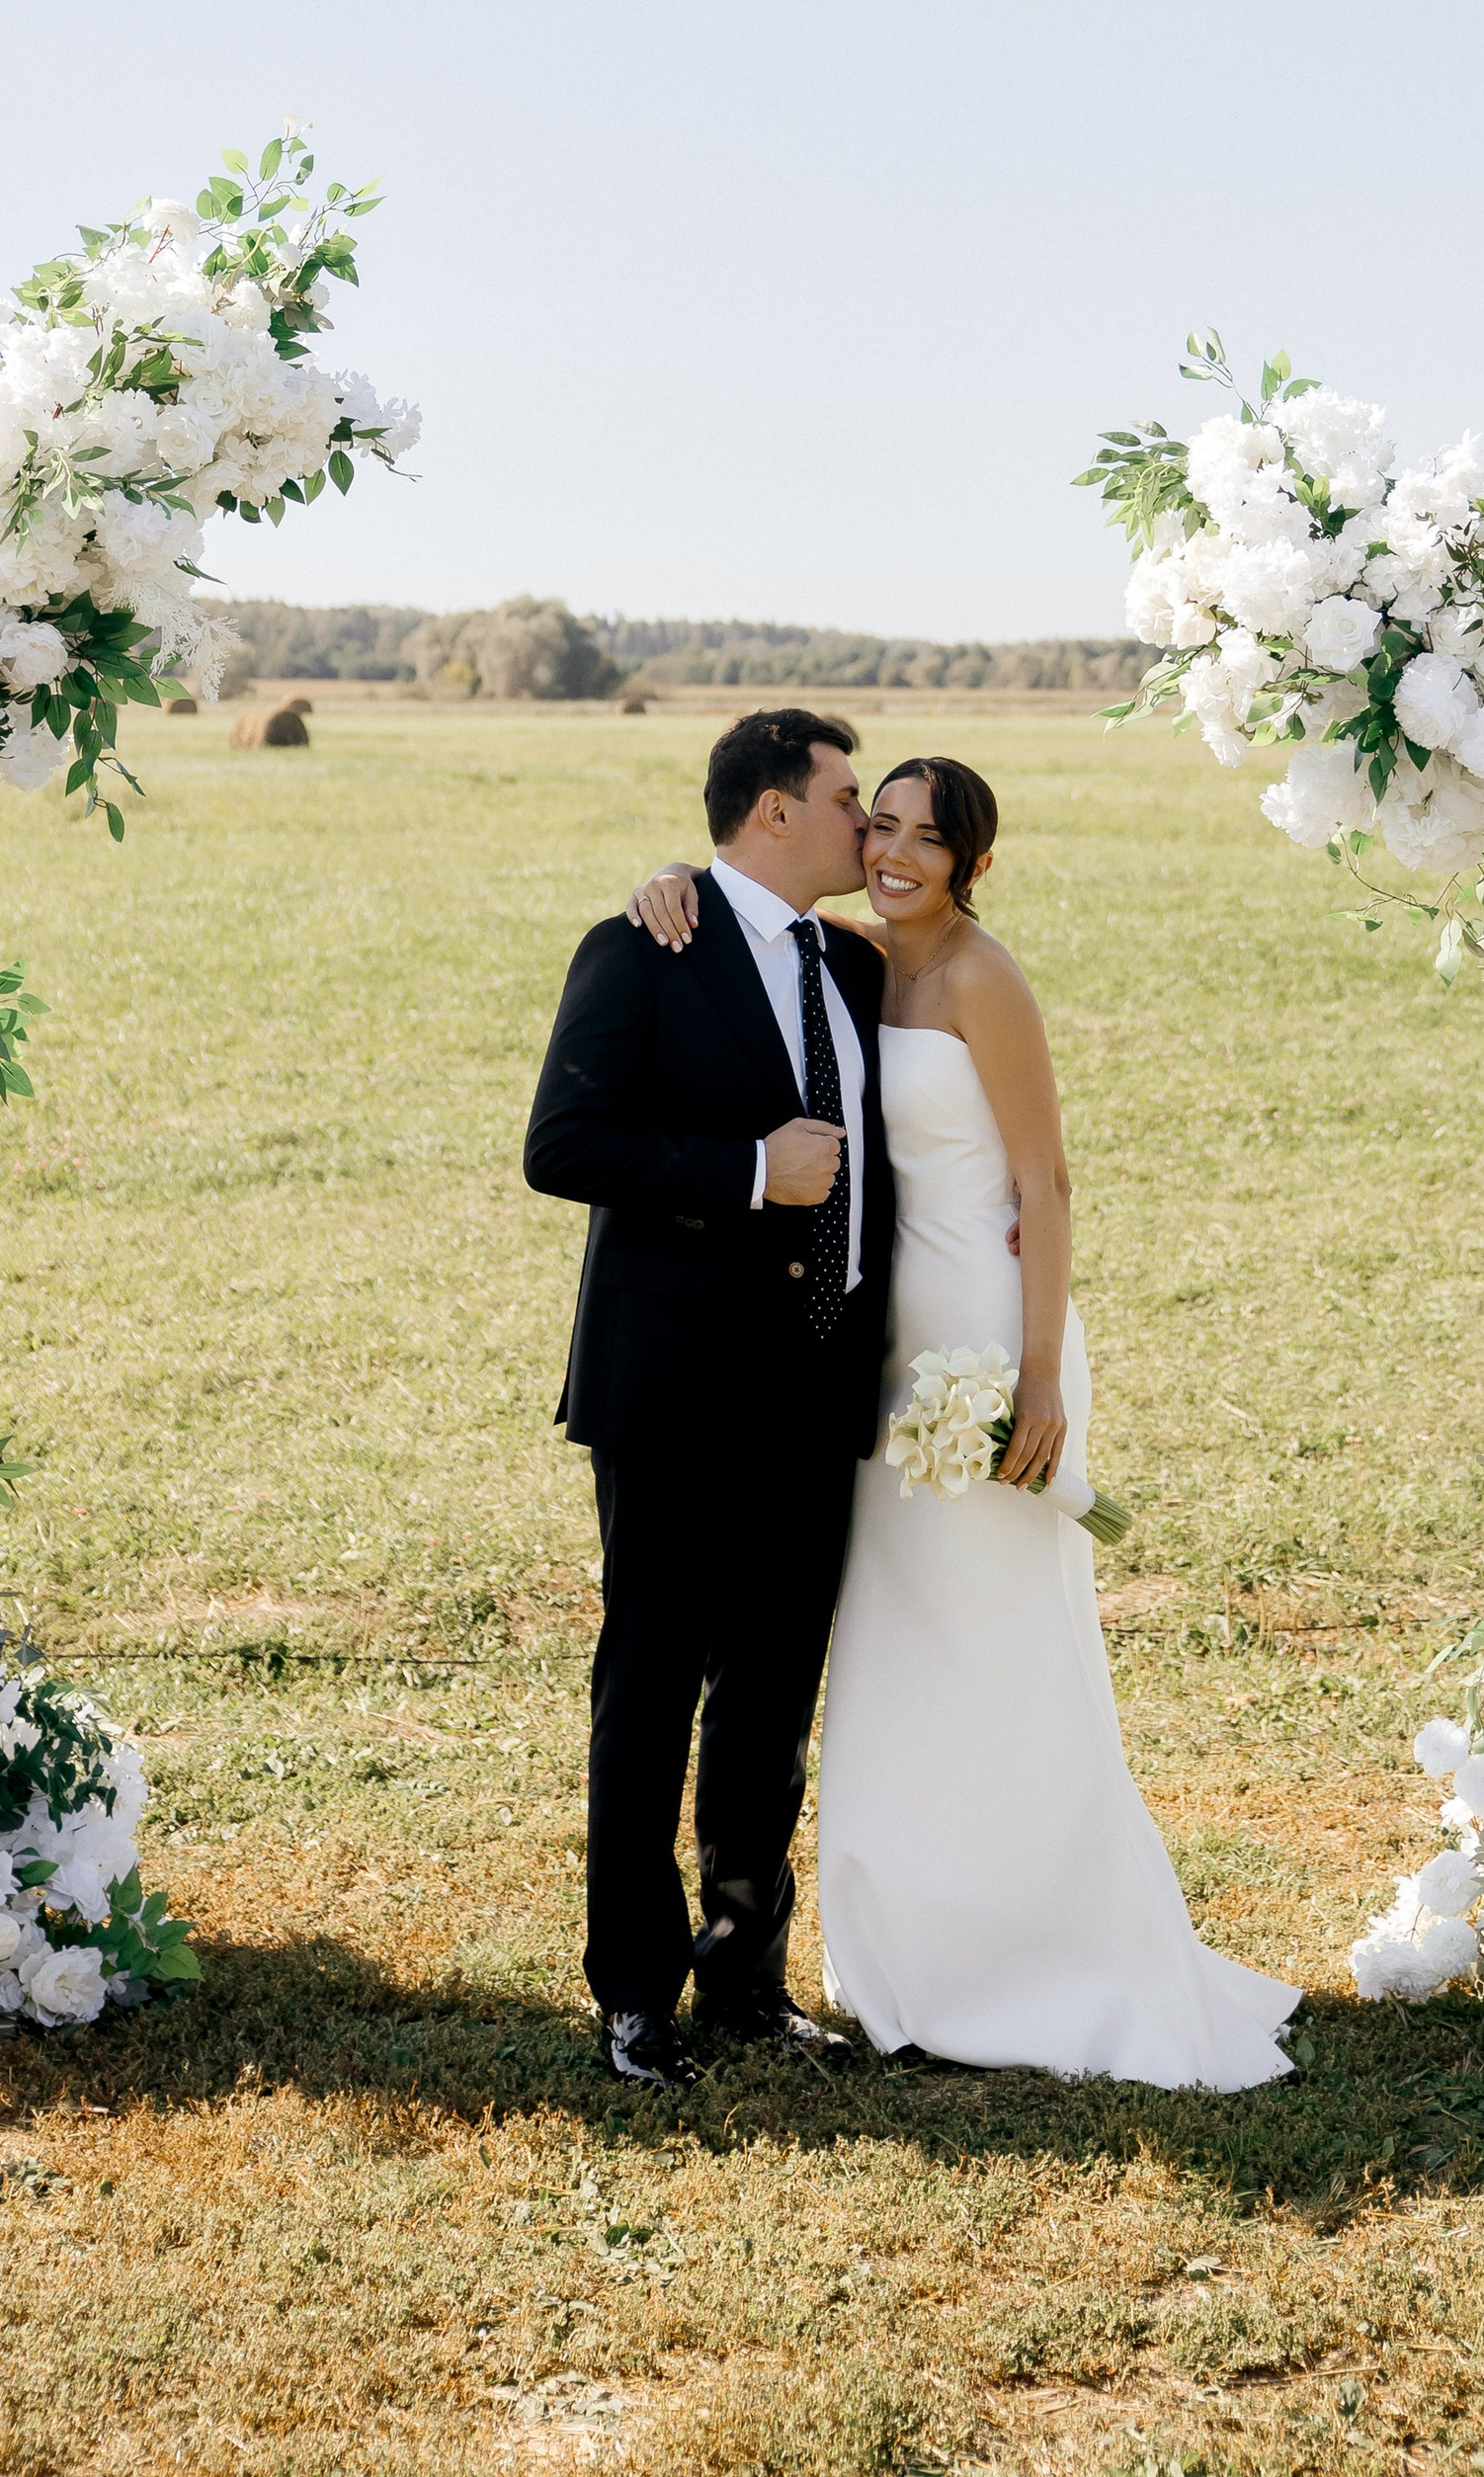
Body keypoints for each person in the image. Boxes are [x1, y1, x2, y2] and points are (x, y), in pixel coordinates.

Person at [621, 751, 1297, 2090]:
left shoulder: (984, 979)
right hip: (881, 1354)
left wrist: (1039, 1377)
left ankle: (1050, 1953)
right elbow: (758, 930)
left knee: (1003, 1645)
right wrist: (667, 883)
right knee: (896, 1648)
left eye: (926, 838)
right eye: (878, 824)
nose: (894, 851)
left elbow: (1045, 1180)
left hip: (991, 1337)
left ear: (972, 859)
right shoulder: (863, 960)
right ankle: (923, 1958)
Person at [523, 707, 892, 2090]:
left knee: (770, 1695)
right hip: (674, 1385)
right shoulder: (643, 945)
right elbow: (563, 1144)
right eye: (849, 796)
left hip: (819, 1384)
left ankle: (746, 1974)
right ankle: (635, 1994)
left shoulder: (850, 966)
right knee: (654, 1683)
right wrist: (747, 1169)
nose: (865, 824)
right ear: (774, 810)